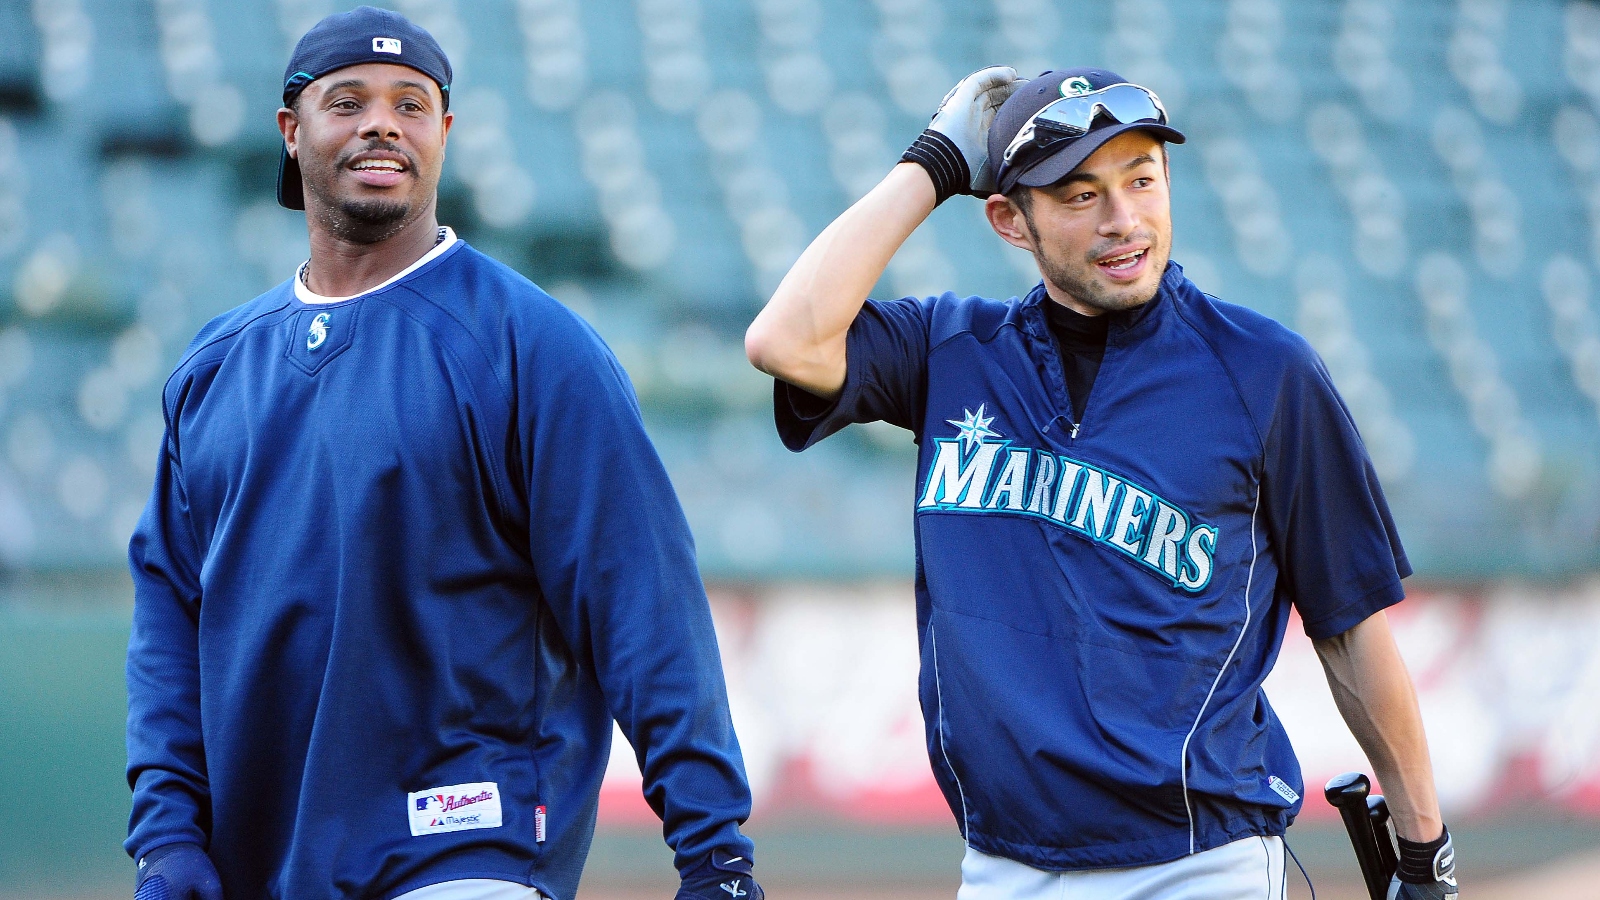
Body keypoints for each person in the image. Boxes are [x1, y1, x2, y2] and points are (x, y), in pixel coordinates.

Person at [744, 65, 1459, 899]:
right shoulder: (951, 352)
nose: (1123, 220)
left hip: (1200, 864)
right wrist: (933, 164)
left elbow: (1350, 624)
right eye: (1080, 195)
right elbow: (783, 342)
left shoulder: (1265, 372)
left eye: (1142, 180)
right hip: (1003, 866)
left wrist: (1424, 850)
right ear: (1011, 221)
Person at [124, 8, 762, 900]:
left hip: (463, 844)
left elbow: (641, 598)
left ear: (445, 133)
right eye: (347, 102)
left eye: (411, 104)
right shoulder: (214, 369)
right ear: (290, 131)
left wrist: (714, 845)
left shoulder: (531, 344)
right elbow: (169, 621)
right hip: (259, 861)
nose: (382, 124)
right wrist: (166, 835)